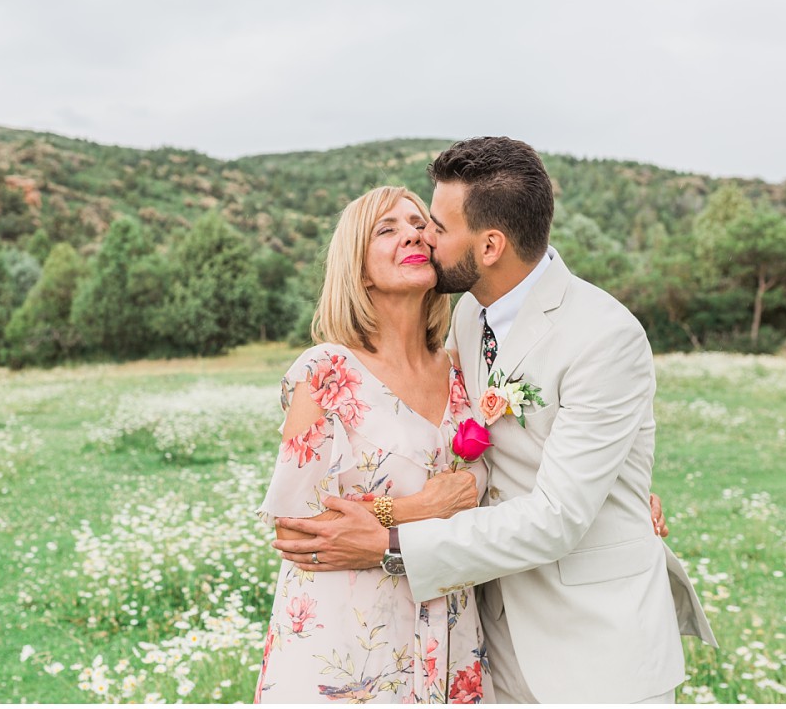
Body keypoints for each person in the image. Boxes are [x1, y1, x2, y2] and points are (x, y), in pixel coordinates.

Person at [274, 137, 717, 704]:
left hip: (591, 649)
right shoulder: (466, 320)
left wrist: (395, 537)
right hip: (479, 638)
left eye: (435, 224)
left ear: (489, 246)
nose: (423, 237)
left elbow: (559, 515)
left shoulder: (604, 335)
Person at [253, 186, 495, 704]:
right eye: (387, 229)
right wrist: (419, 508)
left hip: (449, 630)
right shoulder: (324, 372)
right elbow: (295, 530)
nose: (412, 233)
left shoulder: (461, 371)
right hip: (348, 641)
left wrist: (627, 499)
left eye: (419, 224)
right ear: (359, 270)